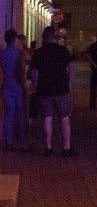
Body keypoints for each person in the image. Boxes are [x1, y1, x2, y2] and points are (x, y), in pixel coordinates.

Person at [28, 26, 77, 156]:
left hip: (44, 90)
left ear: (44, 38)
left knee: (47, 119)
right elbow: (71, 67)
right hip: (61, 89)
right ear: (54, 37)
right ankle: (66, 147)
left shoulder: (38, 53)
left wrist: (37, 86)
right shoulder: (63, 50)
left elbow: (33, 72)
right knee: (64, 118)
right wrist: (69, 84)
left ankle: (48, 147)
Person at [0, 29, 27, 150]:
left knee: (8, 115)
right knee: (21, 115)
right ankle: (23, 142)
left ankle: (9, 142)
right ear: (15, 39)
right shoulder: (19, 54)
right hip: (18, 87)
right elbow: (28, 60)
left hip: (6, 87)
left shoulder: (1, 54)